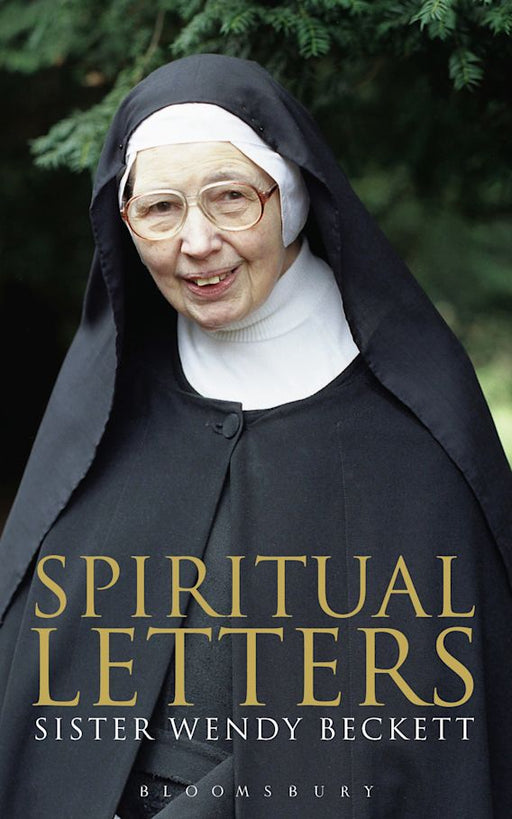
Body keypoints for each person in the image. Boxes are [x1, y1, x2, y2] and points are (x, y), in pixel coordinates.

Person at [0, 53, 511, 819]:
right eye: (161, 208)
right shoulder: (105, 414)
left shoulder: (407, 429)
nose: (196, 242)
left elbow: (419, 729)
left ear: (292, 198)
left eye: (231, 198)